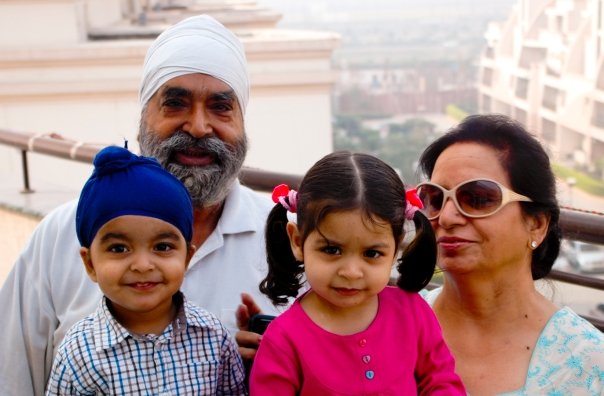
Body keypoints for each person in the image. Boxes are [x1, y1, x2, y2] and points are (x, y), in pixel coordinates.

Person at [0, 14, 277, 395]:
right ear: (143, 117)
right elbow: (12, 378)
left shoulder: (287, 241)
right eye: (175, 103)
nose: (198, 126)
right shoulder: (60, 235)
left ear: (242, 121)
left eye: (220, 106)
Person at [249, 151, 466, 395]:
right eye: (332, 250)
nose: (351, 272)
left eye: (372, 254)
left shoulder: (413, 313)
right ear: (298, 241)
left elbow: (442, 382)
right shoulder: (283, 342)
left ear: (396, 247)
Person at [416, 113, 604, 395]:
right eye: (435, 198)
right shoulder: (389, 324)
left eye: (477, 198)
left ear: (537, 224)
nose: (447, 217)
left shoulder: (588, 363)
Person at [45, 145, 246, 395]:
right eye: (119, 248)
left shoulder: (214, 338)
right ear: (90, 264)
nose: (142, 265)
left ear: (186, 257)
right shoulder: (78, 354)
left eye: (162, 246)